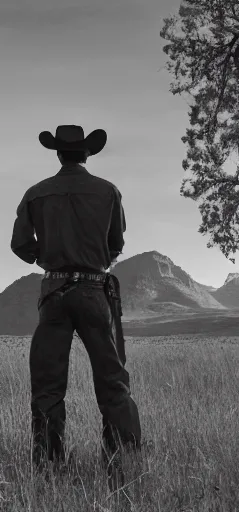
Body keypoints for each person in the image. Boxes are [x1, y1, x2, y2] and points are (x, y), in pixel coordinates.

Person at [10, 125, 141, 490]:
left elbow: (20, 244)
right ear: (86, 154)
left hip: (53, 292)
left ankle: (50, 470)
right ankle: (122, 467)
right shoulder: (108, 191)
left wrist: (49, 256)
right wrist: (94, 260)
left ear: (57, 154)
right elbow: (116, 243)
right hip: (94, 291)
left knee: (48, 387)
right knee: (113, 384)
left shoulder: (36, 194)